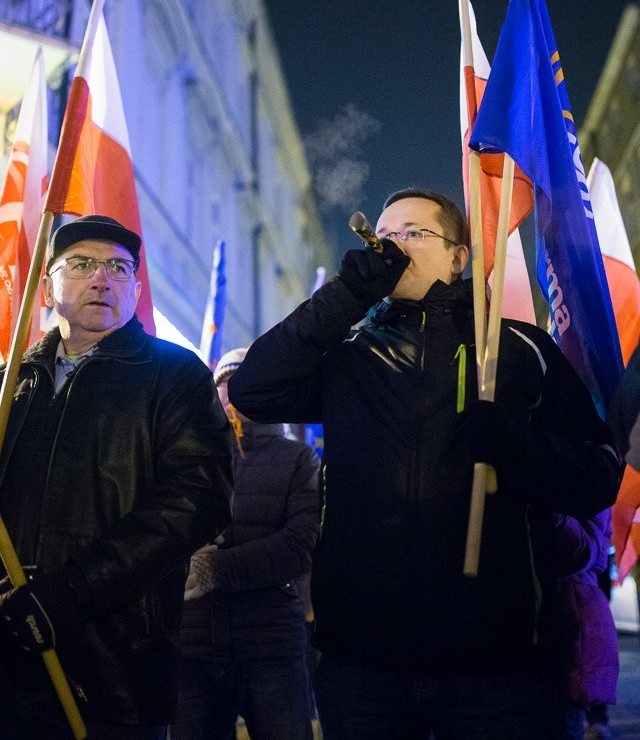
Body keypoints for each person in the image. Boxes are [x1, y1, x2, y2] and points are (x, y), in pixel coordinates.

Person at [229, 187, 620, 740]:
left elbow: (599, 474)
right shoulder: (351, 355)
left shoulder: (517, 350)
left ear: (459, 256)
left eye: (414, 233)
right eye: (382, 236)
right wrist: (347, 294)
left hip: (493, 668)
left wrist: (521, 451)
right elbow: (254, 389)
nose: (394, 246)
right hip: (364, 665)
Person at [0, 215, 233, 739]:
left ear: (135, 287)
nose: (102, 278)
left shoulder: (173, 376)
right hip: (9, 663)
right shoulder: (11, 384)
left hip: (115, 667)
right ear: (47, 285)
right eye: (81, 264)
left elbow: (197, 502)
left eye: (119, 267)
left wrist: (73, 590)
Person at [174, 346, 321, 740]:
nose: (230, 397)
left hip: (270, 645)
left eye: (240, 386)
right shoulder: (187, 458)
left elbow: (300, 544)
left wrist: (215, 569)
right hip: (195, 648)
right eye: (222, 386)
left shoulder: (298, 459)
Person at [553, 510, 618, 739]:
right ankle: (597, 719)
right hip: (581, 606)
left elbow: (582, 549)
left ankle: (598, 719)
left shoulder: (591, 493)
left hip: (576, 611)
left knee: (564, 718)